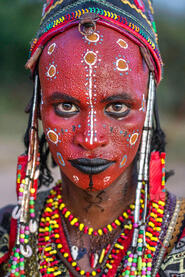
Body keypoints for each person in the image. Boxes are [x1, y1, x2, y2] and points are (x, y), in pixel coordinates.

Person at [0, 0, 185, 276]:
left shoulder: (178, 235)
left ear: (147, 107)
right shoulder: (9, 233)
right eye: (66, 107)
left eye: (117, 107)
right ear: (39, 110)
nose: (90, 138)